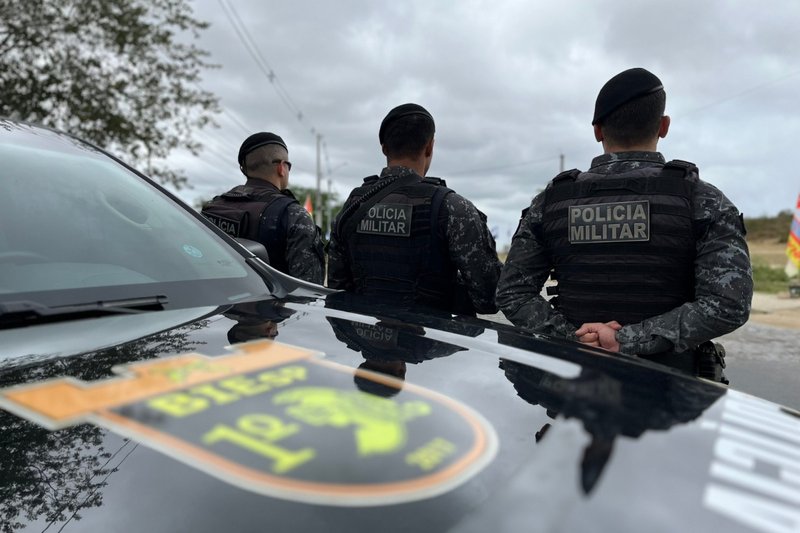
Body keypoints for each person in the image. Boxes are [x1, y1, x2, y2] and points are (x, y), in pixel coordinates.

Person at [496, 68, 753, 381]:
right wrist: (626, 340)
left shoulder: (550, 202)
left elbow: (512, 293)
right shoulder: (703, 199)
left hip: (572, 385)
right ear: (663, 126)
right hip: (670, 391)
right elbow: (728, 304)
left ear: (597, 130)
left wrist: (574, 337)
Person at [327, 103, 502, 316]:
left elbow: (337, 291)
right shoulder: (452, 207)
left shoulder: (354, 204)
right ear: (429, 147)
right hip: (433, 341)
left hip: (365, 341)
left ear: (384, 148)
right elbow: (489, 298)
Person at [201, 132, 324, 283]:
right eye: (288, 166)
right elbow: (309, 289)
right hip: (270, 306)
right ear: (281, 168)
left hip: (214, 301)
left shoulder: (214, 205)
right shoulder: (293, 214)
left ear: (244, 169)